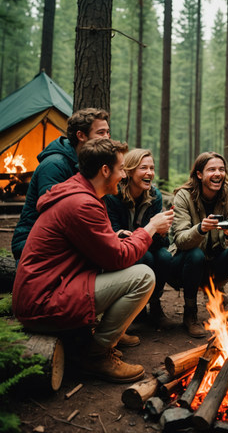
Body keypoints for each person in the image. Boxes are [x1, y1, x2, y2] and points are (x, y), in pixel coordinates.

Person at [12, 138, 174, 384]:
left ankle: (89, 338)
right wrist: (150, 228)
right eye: (121, 169)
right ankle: (97, 355)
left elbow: (98, 249)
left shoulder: (82, 193)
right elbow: (118, 259)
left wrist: (116, 237)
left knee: (138, 267)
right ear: (105, 170)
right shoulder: (82, 204)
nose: (123, 175)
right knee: (143, 276)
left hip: (49, 289)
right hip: (43, 302)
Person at [11, 108, 110, 260]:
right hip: (33, 243)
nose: (107, 138)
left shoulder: (91, 163)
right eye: (101, 133)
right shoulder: (54, 164)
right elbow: (55, 218)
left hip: (69, 237)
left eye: (107, 132)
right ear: (81, 135)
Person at [170, 152, 228, 338]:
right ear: (199, 174)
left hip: (215, 265)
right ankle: (190, 315)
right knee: (195, 254)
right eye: (212, 169)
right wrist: (200, 229)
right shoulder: (184, 196)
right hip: (184, 267)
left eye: (221, 169)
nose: (218, 173)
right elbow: (180, 240)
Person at [104, 149, 174, 330]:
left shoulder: (155, 196)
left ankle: (155, 304)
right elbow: (111, 231)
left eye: (152, 168)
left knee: (165, 256)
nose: (149, 173)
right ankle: (138, 307)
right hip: (123, 252)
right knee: (147, 258)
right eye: (144, 168)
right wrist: (121, 234)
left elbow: (163, 242)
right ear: (129, 170)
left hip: (147, 247)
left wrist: (162, 233)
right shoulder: (114, 195)